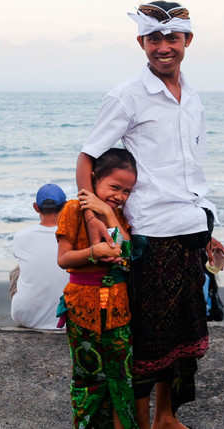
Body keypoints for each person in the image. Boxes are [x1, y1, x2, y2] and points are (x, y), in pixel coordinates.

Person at [76, 0, 224, 429]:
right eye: (155, 39)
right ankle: (141, 422)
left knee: (185, 333)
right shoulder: (126, 96)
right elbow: (88, 158)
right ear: (141, 41)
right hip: (151, 232)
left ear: (188, 41)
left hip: (193, 225)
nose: (164, 47)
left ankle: (166, 416)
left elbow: (190, 166)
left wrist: (208, 223)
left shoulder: (192, 96)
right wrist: (96, 220)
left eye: (172, 38)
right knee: (147, 337)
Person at [56, 148, 139, 429]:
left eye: (126, 191)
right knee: (87, 376)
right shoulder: (72, 210)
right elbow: (63, 258)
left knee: (122, 376)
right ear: (94, 179)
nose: (120, 196)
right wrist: (93, 252)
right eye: (114, 187)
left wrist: (107, 212)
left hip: (119, 311)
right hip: (82, 309)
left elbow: (128, 255)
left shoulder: (120, 216)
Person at [9, 183, 68, 330]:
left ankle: (29, 307)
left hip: (26, 317)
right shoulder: (74, 236)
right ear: (66, 206)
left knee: (17, 271)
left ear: (36, 207)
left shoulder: (20, 236)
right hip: (68, 320)